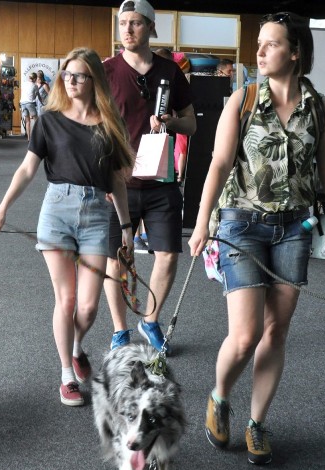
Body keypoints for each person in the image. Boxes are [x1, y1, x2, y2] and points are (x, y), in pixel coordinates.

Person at [187, 12, 325, 465]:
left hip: (294, 230)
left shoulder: (319, 107)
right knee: (244, 336)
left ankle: (258, 423)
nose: (259, 51)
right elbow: (219, 165)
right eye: (259, 43)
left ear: (296, 52)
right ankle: (220, 397)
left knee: (275, 332)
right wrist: (203, 222)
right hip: (241, 224)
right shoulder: (242, 100)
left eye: (271, 44)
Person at [0, 47, 134, 407]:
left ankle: (75, 346)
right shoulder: (49, 120)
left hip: (97, 213)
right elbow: (26, 169)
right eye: (67, 74)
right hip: (57, 209)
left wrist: (127, 227)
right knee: (66, 300)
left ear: (94, 80)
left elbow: (116, 180)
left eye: (79, 75)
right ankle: (66, 374)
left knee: (88, 307)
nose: (70, 81)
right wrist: (3, 207)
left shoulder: (108, 123)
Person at [104, 0, 196, 353]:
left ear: (151, 28)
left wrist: (172, 122)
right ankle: (119, 331)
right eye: (123, 23)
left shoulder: (170, 72)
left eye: (136, 23)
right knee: (117, 258)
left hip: (161, 180)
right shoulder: (107, 70)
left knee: (169, 254)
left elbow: (192, 122)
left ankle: (150, 321)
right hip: (119, 183)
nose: (127, 29)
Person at [154, 47, 189, 185]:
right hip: (165, 133)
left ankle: (175, 176)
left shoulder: (173, 81)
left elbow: (190, 123)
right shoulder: (168, 80)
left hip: (168, 131)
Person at [20, 72, 39, 137]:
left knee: (27, 121)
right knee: (36, 120)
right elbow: (36, 96)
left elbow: (22, 92)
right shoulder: (35, 85)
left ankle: (29, 138)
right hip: (30, 103)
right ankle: (37, 136)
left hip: (23, 103)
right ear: (35, 79)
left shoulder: (24, 84)